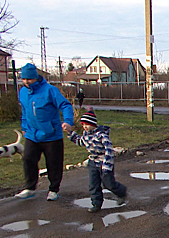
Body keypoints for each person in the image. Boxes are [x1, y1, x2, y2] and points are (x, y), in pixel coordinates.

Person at [15, 63, 74, 201]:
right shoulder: (23, 92)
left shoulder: (49, 90)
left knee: (53, 163)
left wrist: (67, 121)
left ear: (35, 78)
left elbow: (65, 105)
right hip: (32, 134)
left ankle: (53, 189)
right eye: (23, 79)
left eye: (29, 79)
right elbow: (24, 111)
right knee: (28, 159)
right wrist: (24, 127)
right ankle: (30, 187)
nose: (26, 82)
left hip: (51, 134)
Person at [66, 110, 127, 213]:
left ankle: (121, 192)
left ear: (93, 124)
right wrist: (69, 132)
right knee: (93, 185)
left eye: (87, 124)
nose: (85, 127)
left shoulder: (102, 136)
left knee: (108, 183)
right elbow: (80, 141)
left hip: (104, 163)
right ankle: (96, 204)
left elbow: (109, 151)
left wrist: (107, 166)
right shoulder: (86, 135)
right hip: (93, 162)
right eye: (83, 124)